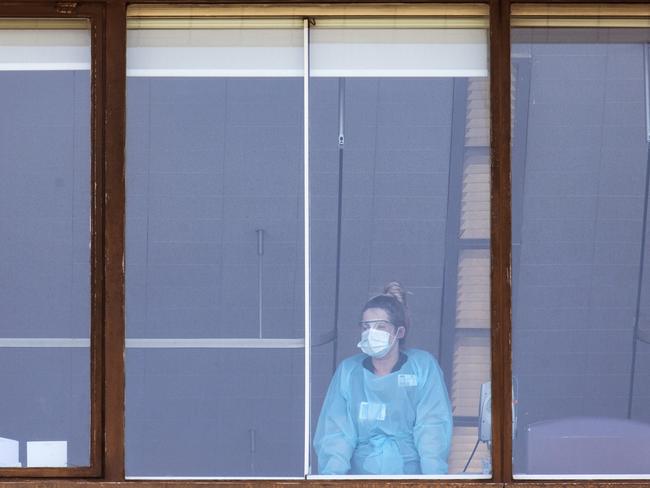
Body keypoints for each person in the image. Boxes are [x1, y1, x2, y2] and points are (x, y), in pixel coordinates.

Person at [313, 282, 453, 475]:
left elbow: (432, 429)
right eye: (366, 327)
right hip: (360, 478)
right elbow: (336, 435)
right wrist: (331, 480)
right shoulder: (349, 372)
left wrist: (434, 480)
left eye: (380, 327)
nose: (372, 333)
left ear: (399, 332)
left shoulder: (422, 367)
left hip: (409, 476)